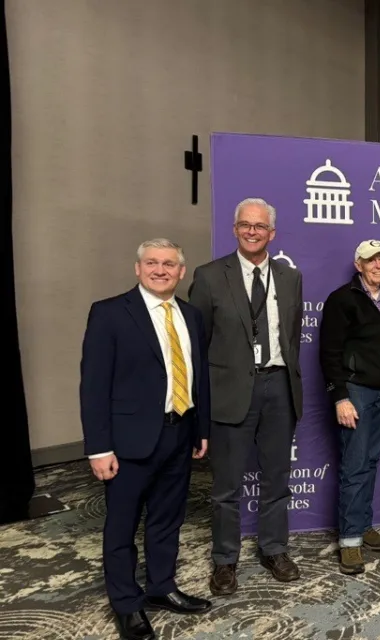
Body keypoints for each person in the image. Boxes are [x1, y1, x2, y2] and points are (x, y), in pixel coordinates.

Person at [80, 239, 211, 640]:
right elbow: (94, 386)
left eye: (169, 264)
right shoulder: (109, 314)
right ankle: (126, 604)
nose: (160, 270)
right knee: (121, 528)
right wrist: (98, 448)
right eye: (152, 263)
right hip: (128, 443)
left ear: (181, 272)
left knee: (167, 520)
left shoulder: (190, 315)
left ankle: (161, 587)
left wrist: (201, 427)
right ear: (137, 269)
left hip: (179, 433)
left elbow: (198, 374)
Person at [189, 198, 304, 595]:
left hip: (278, 388)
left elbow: (291, 336)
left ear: (272, 233)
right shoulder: (208, 277)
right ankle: (224, 561)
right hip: (231, 392)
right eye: (245, 225)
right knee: (226, 486)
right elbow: (196, 344)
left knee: (277, 479)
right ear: (235, 229)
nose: (252, 231)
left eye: (260, 226)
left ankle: (275, 549)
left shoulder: (289, 277)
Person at [319, 239, 380, 574]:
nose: (378, 265)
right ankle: (350, 540)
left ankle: (363, 525)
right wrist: (340, 396)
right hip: (356, 392)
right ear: (358, 265)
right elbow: (329, 352)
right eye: (371, 260)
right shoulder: (342, 299)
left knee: (369, 462)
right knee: (354, 465)